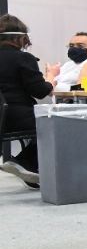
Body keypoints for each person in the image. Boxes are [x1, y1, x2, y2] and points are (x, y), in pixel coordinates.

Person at [0, 14, 58, 188]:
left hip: (3, 117)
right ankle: (23, 162)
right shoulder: (23, 58)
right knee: (58, 123)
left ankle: (30, 168)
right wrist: (51, 77)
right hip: (16, 116)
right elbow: (40, 91)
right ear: (21, 38)